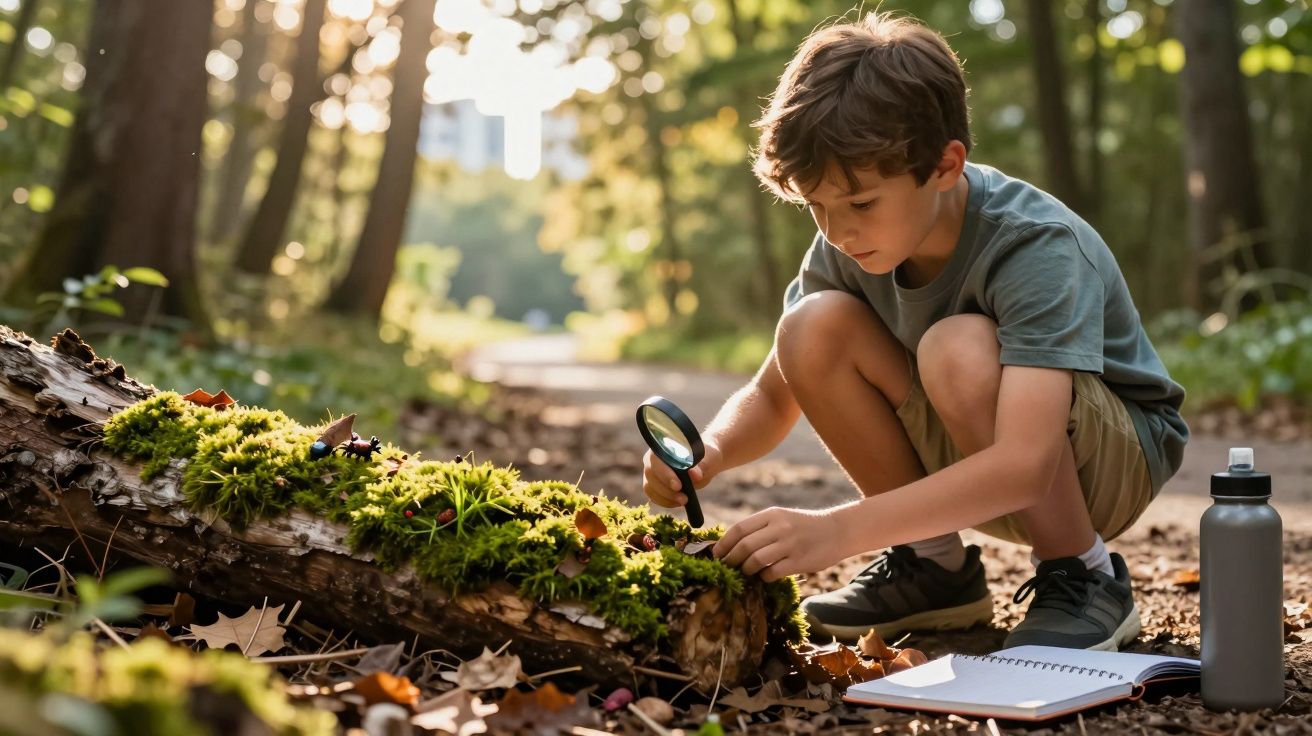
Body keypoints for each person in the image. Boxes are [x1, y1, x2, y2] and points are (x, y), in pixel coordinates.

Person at [640, 11, 1188, 651]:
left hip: (1108, 461)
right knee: (809, 327)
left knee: (956, 347)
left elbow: (1026, 465)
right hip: (988, 450)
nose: (836, 231)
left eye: (860, 203)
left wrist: (835, 532)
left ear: (946, 165)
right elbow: (771, 393)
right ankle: (934, 570)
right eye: (816, 206)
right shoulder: (848, 245)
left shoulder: (1035, 245)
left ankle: (1084, 575)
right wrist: (710, 453)